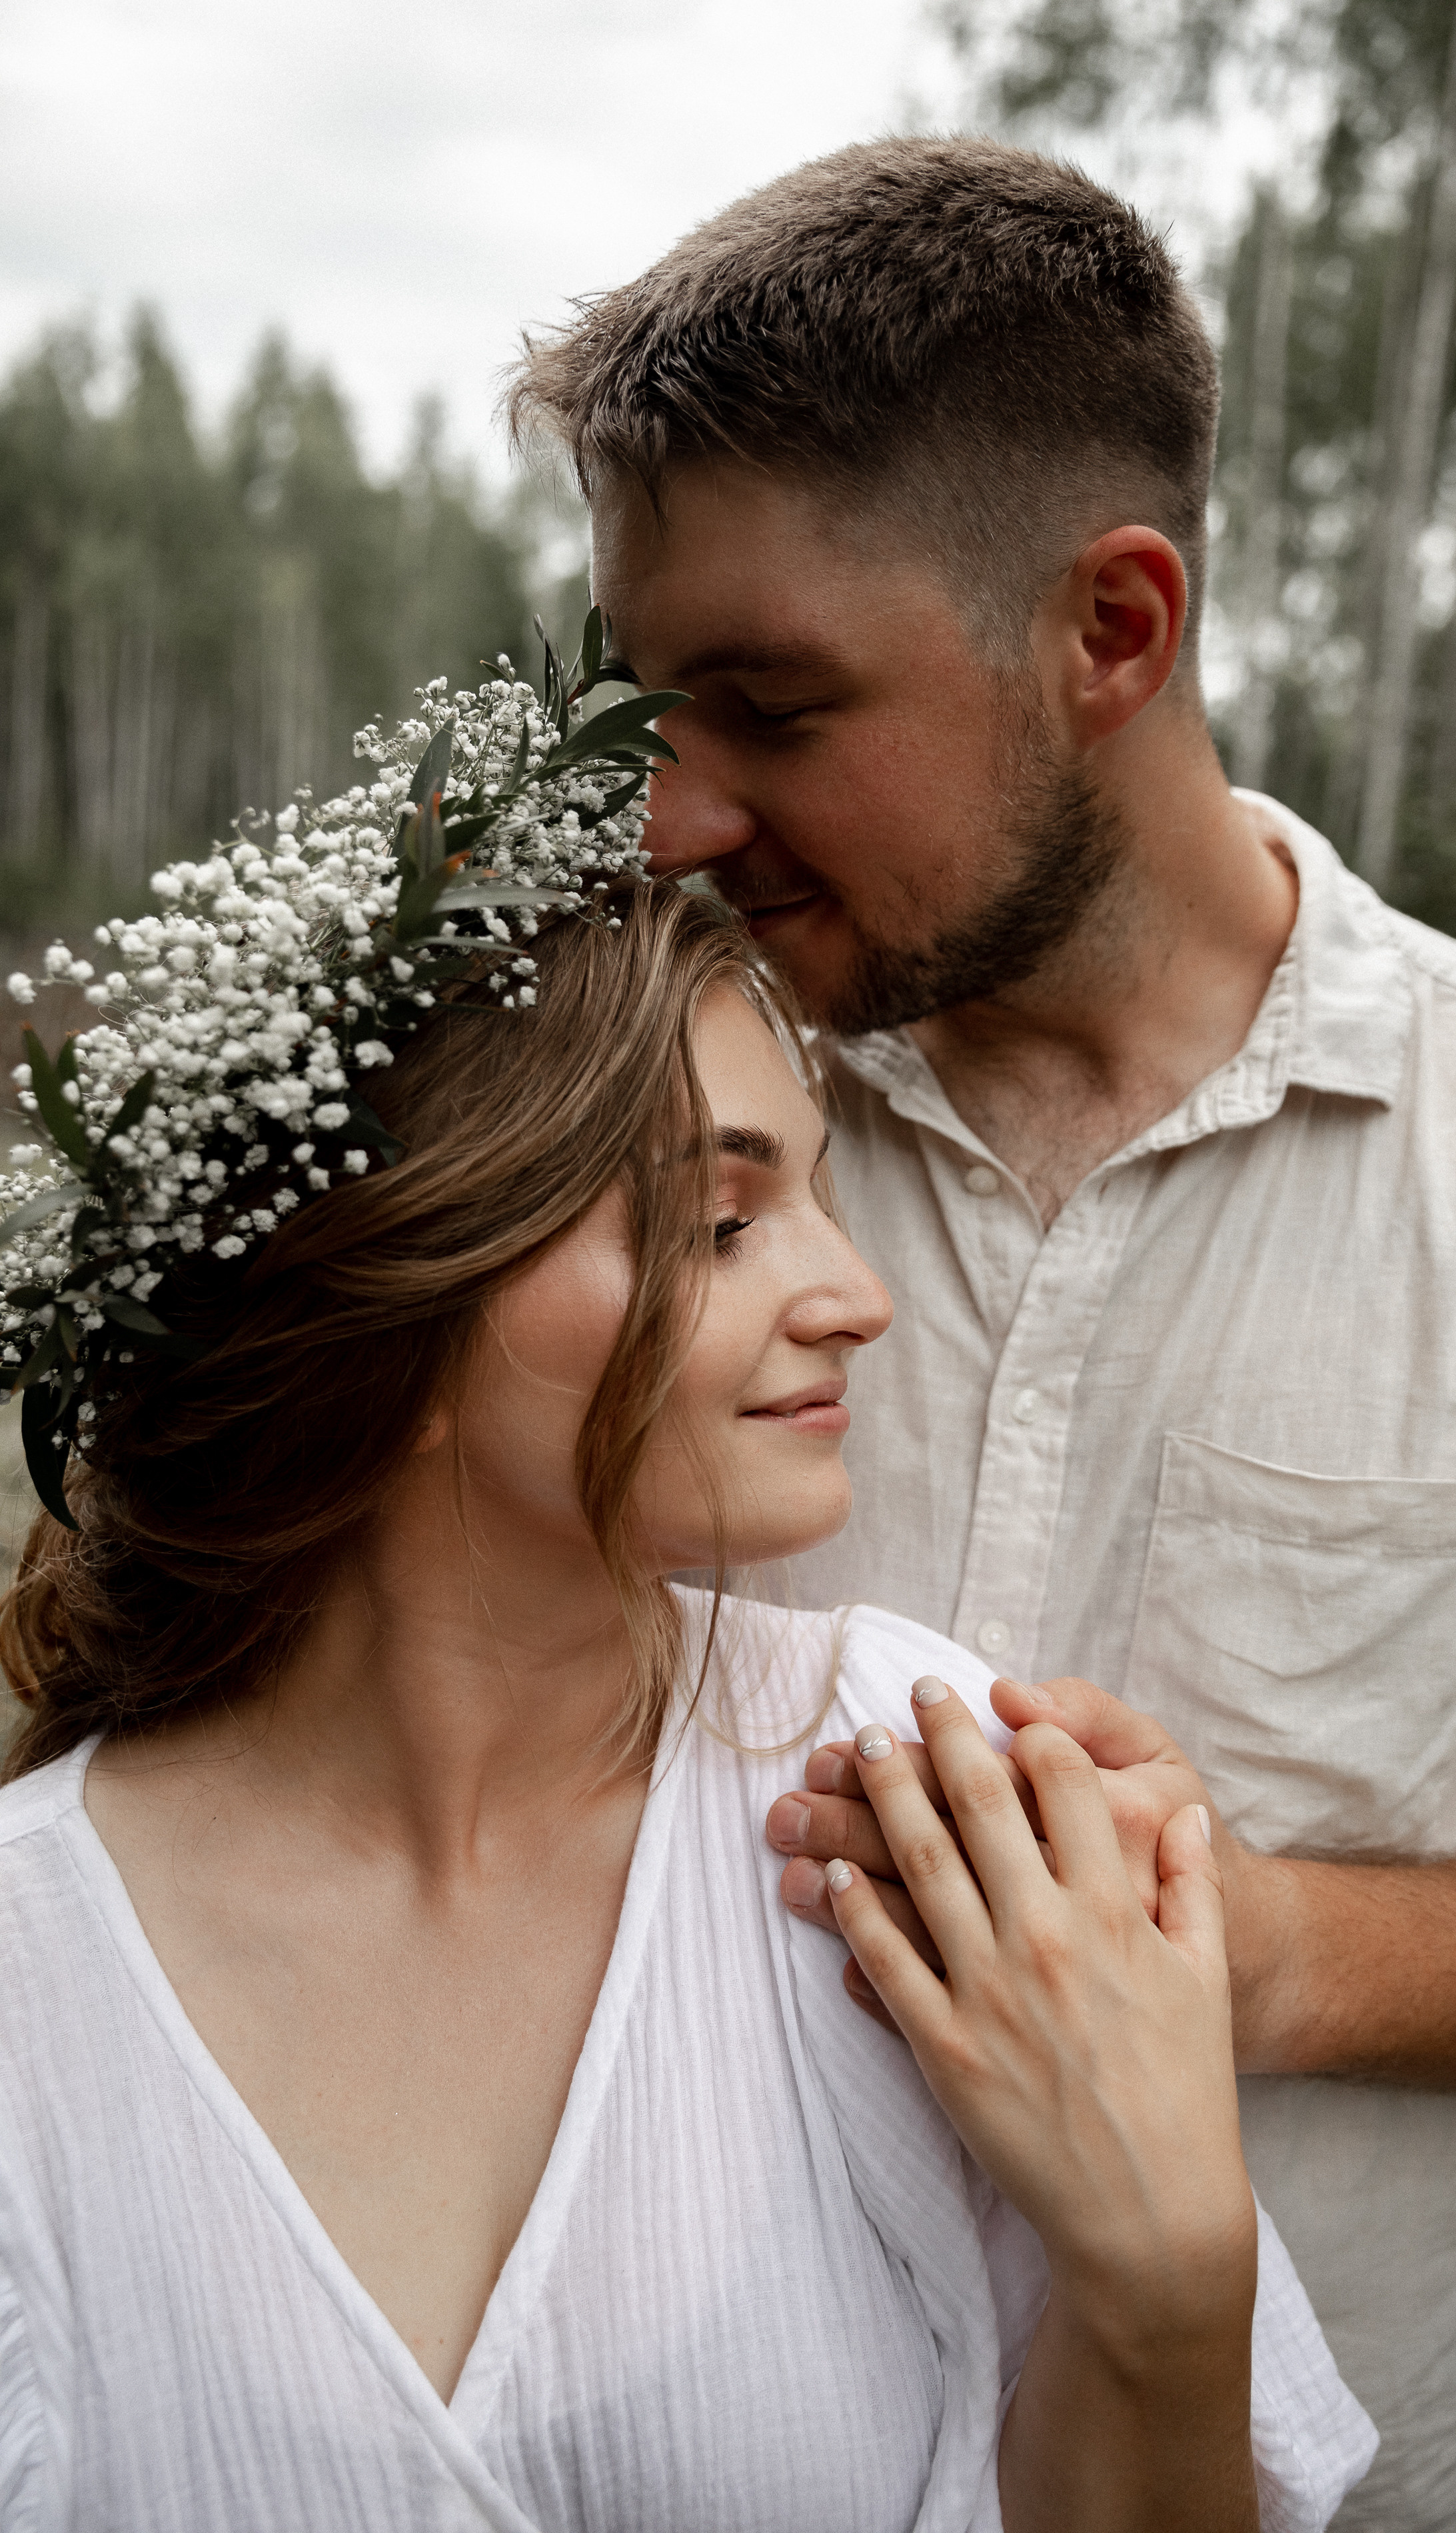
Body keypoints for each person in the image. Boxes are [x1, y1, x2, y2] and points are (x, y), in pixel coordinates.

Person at [507, 133, 1456, 2532]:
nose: (672, 819)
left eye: (770, 705)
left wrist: (1279, 1957)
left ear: (1114, 630)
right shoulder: (621, 1151)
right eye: (652, 708)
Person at [0, 749, 1376, 2526]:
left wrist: (1176, 2268)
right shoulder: (31, 1979)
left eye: (817, 1193)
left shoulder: (905, 1797)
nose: (854, 1296)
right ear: (384, 1324)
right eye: (722, 1221)